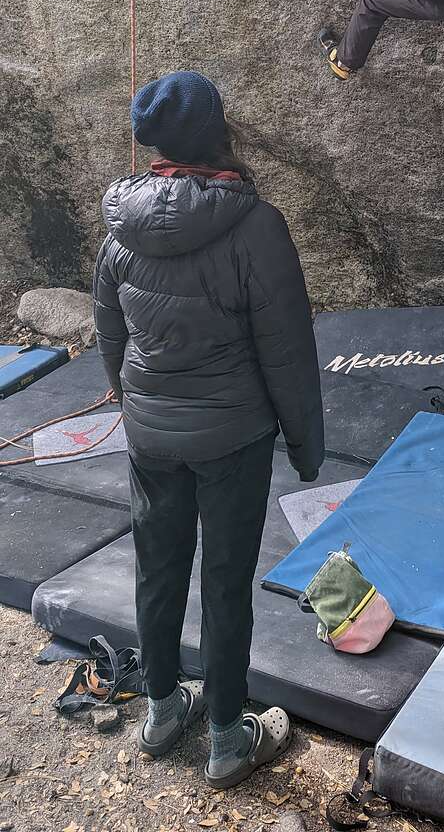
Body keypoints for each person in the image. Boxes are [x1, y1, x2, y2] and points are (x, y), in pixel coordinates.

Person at [93, 71, 324, 789]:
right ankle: (227, 737)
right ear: (218, 132)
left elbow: (110, 330)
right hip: (233, 442)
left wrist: (130, 404)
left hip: (151, 435)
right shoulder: (256, 225)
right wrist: (306, 446)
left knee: (156, 571)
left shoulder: (118, 228)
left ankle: (163, 711)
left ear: (155, 142)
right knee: (226, 586)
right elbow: (287, 348)